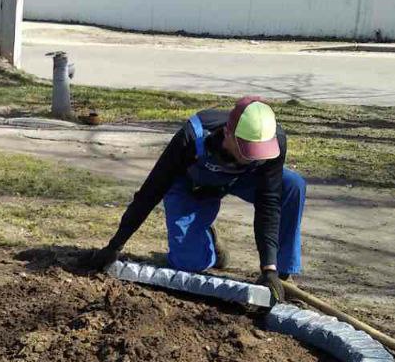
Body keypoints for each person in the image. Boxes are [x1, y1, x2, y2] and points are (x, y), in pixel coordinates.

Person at [87, 96, 305, 303]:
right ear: (228, 133)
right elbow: (151, 191)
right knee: (188, 263)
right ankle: (208, 240)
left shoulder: (272, 144)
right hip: (193, 184)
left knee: (292, 186)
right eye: (247, 150)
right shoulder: (193, 136)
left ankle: (282, 276)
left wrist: (269, 268)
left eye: (259, 152)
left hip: (242, 180)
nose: (254, 158)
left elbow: (269, 203)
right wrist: (115, 245)